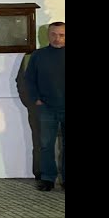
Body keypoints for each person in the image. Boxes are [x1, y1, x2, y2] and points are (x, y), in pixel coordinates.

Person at [25, 22, 65, 191]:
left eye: (62, 35)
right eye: (54, 34)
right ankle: (48, 179)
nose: (57, 38)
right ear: (48, 35)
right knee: (45, 144)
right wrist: (36, 99)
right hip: (47, 107)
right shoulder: (38, 56)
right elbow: (29, 80)